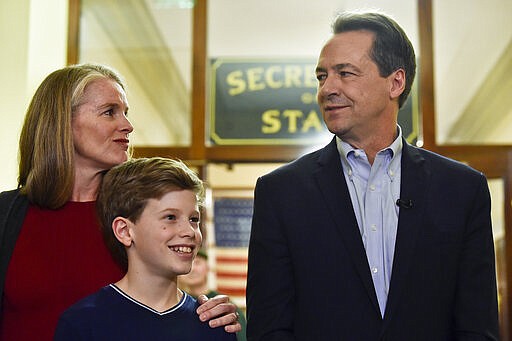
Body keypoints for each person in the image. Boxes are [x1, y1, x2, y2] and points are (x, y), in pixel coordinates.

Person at [246, 11, 499, 340]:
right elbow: (269, 327)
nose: (327, 89)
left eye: (345, 73)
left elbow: (477, 326)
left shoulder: (462, 190)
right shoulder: (280, 193)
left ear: (395, 82)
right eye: (322, 76)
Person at [0, 63, 240, 341]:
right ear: (61, 120)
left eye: (125, 113)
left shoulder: (140, 214)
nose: (127, 125)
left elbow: (169, 301)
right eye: (109, 112)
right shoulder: (6, 217)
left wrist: (210, 311)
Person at [54, 157, 236, 340]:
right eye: (170, 217)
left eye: (193, 219)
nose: (189, 231)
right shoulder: (83, 323)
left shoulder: (214, 324)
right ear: (125, 231)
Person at [180, 248, 247, 341]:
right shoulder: (177, 304)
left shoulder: (225, 306)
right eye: (187, 263)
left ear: (208, 267)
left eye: (197, 263)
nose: (193, 269)